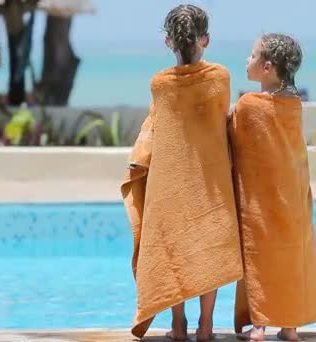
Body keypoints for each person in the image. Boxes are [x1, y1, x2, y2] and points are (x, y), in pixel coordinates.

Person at [121, 4, 242, 341]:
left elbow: (158, 125)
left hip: (168, 179)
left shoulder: (159, 83)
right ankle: (206, 326)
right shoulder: (221, 77)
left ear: (168, 43)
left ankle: (178, 324)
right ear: (206, 39)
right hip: (211, 178)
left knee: (171, 246)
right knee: (212, 247)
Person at [228, 33, 316, 341]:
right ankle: (290, 326)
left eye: (252, 55)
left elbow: (232, 132)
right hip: (294, 196)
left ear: (267, 67)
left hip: (262, 200)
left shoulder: (249, 105)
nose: (247, 59)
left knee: (260, 257)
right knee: (292, 255)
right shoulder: (293, 104)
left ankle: (260, 326)